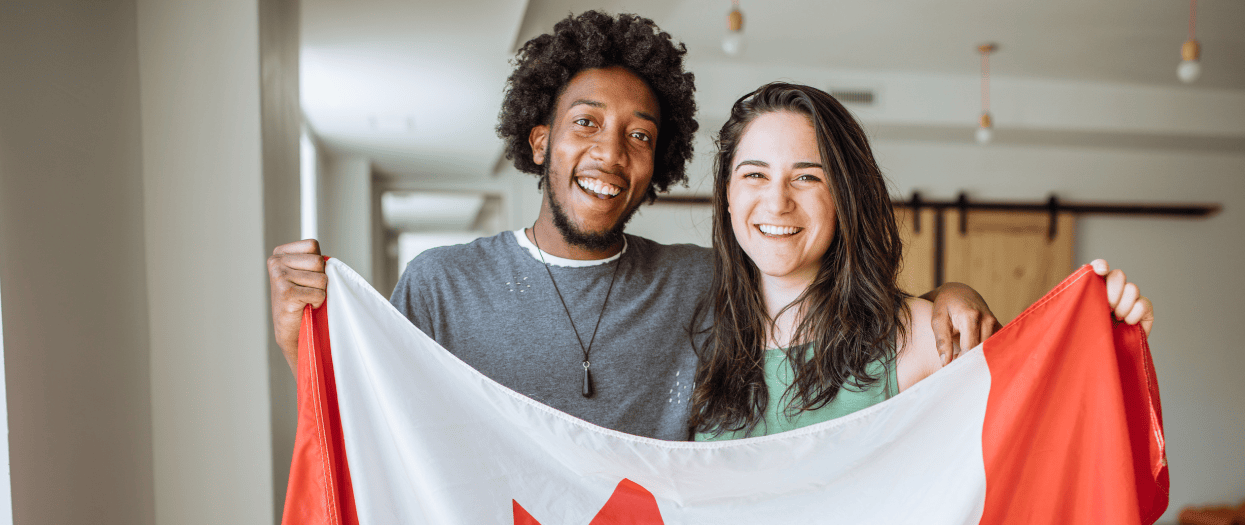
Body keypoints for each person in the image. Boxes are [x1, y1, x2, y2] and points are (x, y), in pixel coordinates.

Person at [267, 11, 999, 441]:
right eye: (585, 123)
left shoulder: (700, 282)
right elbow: (371, 432)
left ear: (662, 163)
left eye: (640, 135)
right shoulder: (441, 285)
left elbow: (817, 295)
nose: (609, 154)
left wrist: (952, 294)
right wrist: (305, 349)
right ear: (538, 141)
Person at [692, 83, 1153, 440]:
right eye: (754, 174)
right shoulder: (692, 336)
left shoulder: (922, 337)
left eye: (807, 177)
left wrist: (1105, 344)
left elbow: (1047, 433)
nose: (777, 201)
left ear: (844, 199)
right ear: (728, 195)